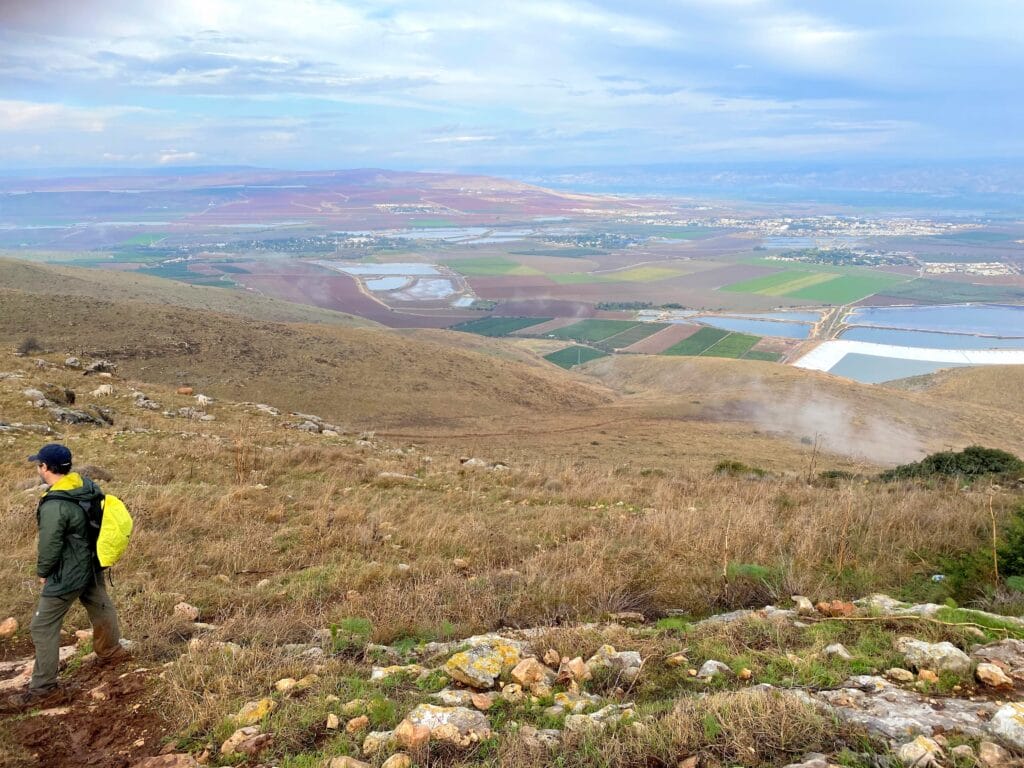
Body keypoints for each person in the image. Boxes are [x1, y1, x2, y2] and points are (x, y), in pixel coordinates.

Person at [7, 443, 126, 708]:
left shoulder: (55, 504)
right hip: (92, 562)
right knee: (99, 603)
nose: (38, 468)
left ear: (45, 468)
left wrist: (44, 572)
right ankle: (111, 652)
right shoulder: (85, 486)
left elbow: (50, 544)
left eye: (39, 464)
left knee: (42, 625)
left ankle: (44, 690)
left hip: (69, 570)